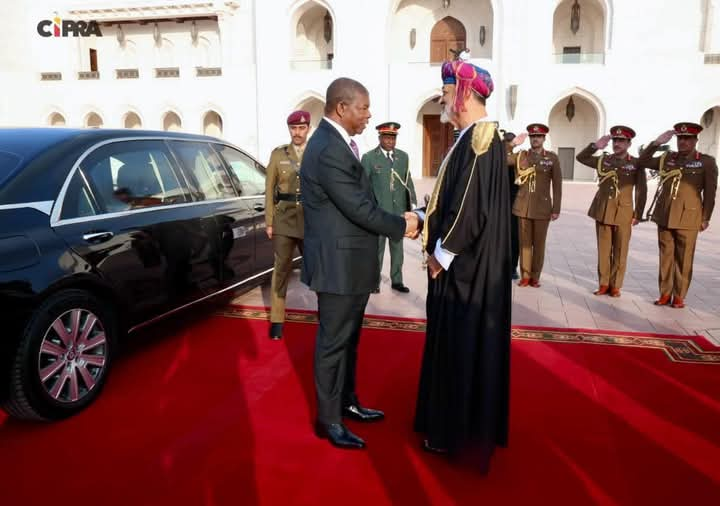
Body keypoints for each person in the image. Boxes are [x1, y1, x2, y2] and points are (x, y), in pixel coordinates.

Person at [300, 77, 419, 449]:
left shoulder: (338, 143)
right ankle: (328, 420)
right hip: (337, 267)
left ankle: (347, 402)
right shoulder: (329, 148)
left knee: (349, 341)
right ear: (342, 108)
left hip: (350, 264)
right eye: (363, 108)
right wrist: (405, 224)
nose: (369, 115)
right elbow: (358, 207)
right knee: (333, 344)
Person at [411, 60, 512, 473]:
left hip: (465, 271)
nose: (443, 98)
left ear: (466, 94)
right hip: (472, 265)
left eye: (448, 90)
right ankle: (458, 423)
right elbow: (453, 198)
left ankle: (453, 430)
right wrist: (420, 215)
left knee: (459, 344)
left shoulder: (481, 139)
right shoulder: (473, 137)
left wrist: (441, 255)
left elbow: (470, 210)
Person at [638, 122, 717, 308]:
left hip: (689, 217)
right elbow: (641, 162)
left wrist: (706, 217)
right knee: (666, 257)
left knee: (684, 258)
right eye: (680, 138)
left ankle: (679, 295)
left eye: (687, 138)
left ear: (695, 140)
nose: (683, 142)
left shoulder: (706, 162)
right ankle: (665, 293)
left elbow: (710, 193)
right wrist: (656, 143)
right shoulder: (667, 158)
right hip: (664, 214)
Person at [576, 126, 647, 297]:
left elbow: (641, 190)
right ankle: (603, 283)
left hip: (624, 211)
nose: (617, 144)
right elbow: (581, 158)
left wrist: (638, 213)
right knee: (604, 249)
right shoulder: (604, 160)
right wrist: (595, 146)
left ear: (629, 143)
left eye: (621, 141)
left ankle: (616, 285)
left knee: (621, 249)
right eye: (615, 141)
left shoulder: (635, 163)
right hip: (603, 209)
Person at [264, 110, 311, 339]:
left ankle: (325, 315)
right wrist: (269, 221)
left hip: (309, 221)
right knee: (281, 270)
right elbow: (269, 190)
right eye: (294, 128)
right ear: (289, 129)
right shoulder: (278, 155)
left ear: (308, 129)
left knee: (317, 269)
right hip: (283, 220)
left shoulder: (316, 153)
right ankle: (276, 320)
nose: (297, 132)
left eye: (302, 128)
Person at [361, 121, 417, 293]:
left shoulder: (403, 156)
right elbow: (363, 186)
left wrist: (412, 204)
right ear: (380, 138)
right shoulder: (369, 158)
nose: (390, 141)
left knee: (397, 248)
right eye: (386, 137)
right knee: (377, 249)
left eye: (393, 137)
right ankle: (374, 281)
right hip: (378, 212)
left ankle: (397, 280)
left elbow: (408, 181)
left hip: (398, 212)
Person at [507, 123, 562, 287]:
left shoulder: (552, 158)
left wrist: (556, 208)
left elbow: (557, 184)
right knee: (524, 243)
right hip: (523, 205)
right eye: (532, 136)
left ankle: (535, 276)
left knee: (538, 244)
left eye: (538, 136)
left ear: (544, 138)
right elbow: (502, 159)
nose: (535, 139)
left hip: (542, 207)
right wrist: (512, 144)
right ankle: (525, 276)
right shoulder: (521, 155)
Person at [502, 130, 526, 279]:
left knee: (514, 237)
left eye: (510, 142)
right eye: (507, 142)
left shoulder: (519, 158)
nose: (509, 144)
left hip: (514, 202)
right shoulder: (499, 157)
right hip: (500, 203)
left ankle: (512, 268)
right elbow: (502, 158)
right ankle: (501, 266)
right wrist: (510, 146)